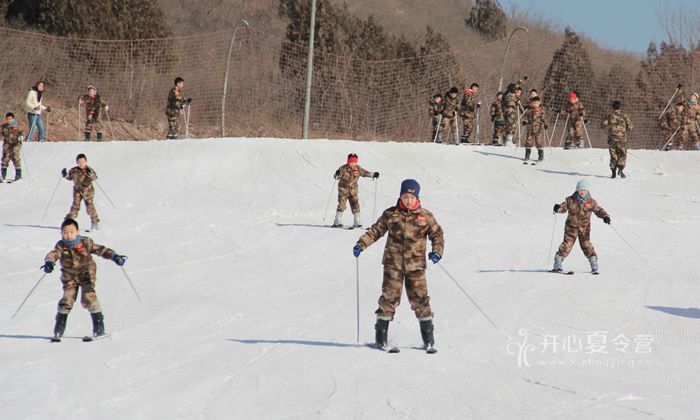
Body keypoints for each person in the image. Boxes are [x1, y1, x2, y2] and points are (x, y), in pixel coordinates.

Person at [353, 179, 445, 352]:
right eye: (405, 196)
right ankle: (381, 340)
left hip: (416, 266)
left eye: (411, 196)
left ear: (417, 197)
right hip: (392, 265)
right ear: (400, 196)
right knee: (388, 299)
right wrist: (361, 244)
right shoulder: (391, 214)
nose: (408, 200)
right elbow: (376, 230)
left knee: (421, 300)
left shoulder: (425, 216)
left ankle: (429, 341)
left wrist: (437, 251)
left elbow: (437, 234)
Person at [42, 218, 127, 341]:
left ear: (77, 232)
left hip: (86, 274)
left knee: (88, 297)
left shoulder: (86, 242)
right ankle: (58, 330)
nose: (68, 235)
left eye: (71, 232)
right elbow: (53, 254)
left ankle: (99, 329)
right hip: (69, 277)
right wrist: (49, 262)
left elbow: (101, 250)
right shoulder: (61, 246)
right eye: (65, 232)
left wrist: (114, 256)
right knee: (67, 299)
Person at [552, 179, 610, 274]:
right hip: (571, 228)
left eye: (584, 190)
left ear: (587, 191)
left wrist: (605, 216)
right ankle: (558, 263)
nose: (582, 192)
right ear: (577, 190)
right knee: (566, 245)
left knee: (586, 245)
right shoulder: (570, 200)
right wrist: (558, 208)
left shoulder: (591, 202)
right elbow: (563, 207)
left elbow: (599, 210)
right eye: (580, 190)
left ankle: (593, 262)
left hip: (584, 229)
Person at [332, 153, 378, 228]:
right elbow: (337, 177)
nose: (352, 164)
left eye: (354, 162)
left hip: (353, 190)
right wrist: (337, 174)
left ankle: (357, 220)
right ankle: (337, 220)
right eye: (351, 162)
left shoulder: (358, 168)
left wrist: (373, 174)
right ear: (348, 161)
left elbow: (365, 173)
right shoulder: (343, 168)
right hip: (343, 190)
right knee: (342, 204)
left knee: (355, 204)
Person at [62, 154, 100, 231]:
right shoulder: (74, 170)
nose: (81, 164)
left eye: (82, 162)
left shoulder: (88, 170)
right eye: (79, 162)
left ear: (86, 161)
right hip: (77, 191)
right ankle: (69, 222)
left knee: (89, 207)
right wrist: (65, 174)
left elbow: (94, 177)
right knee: (75, 207)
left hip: (87, 191)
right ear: (77, 162)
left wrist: (91, 175)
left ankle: (94, 223)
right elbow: (69, 177)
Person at [602, 100, 633, 178]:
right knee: (622, 154)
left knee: (613, 155)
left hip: (612, 139)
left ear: (612, 107)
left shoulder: (609, 116)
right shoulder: (624, 116)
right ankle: (621, 169)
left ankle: (613, 172)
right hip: (622, 139)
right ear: (620, 107)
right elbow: (630, 127)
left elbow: (603, 125)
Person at [521, 96, 547, 163]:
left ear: (539, 103)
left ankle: (540, 154)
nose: (535, 104)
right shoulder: (529, 110)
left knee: (539, 142)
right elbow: (525, 116)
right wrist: (525, 121)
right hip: (530, 128)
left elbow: (544, 118)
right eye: (533, 103)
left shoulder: (541, 110)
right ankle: (527, 154)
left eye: (536, 103)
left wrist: (545, 124)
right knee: (529, 141)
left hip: (539, 129)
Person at [1, 112, 24, 182]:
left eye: (10, 119)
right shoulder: (3, 127)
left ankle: (18, 175)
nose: (9, 121)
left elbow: (22, 132)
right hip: (7, 143)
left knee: (15, 156)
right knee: (5, 158)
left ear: (13, 119)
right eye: (7, 119)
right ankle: (2, 175)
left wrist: (21, 137)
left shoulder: (17, 126)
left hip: (16, 143)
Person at [503, 81, 524, 146]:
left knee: (512, 126)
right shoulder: (509, 94)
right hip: (510, 111)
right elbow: (509, 102)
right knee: (510, 126)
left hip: (512, 111)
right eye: (516, 90)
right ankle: (508, 141)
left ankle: (509, 140)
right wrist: (520, 82)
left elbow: (521, 107)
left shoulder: (515, 97)